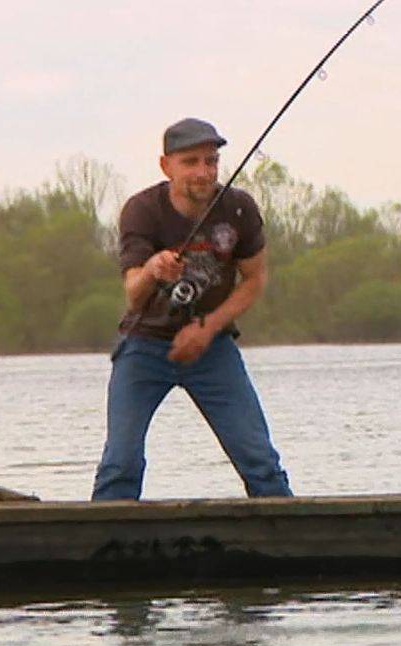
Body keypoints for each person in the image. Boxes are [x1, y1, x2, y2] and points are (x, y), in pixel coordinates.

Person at [91, 118, 292, 501]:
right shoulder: (142, 210)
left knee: (259, 460)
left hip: (212, 348)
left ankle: (295, 541)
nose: (204, 172)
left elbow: (254, 280)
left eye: (211, 161)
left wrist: (209, 327)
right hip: (144, 345)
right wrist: (153, 269)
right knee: (121, 463)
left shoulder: (239, 209)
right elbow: (134, 294)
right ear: (166, 166)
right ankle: (101, 544)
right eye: (191, 162)